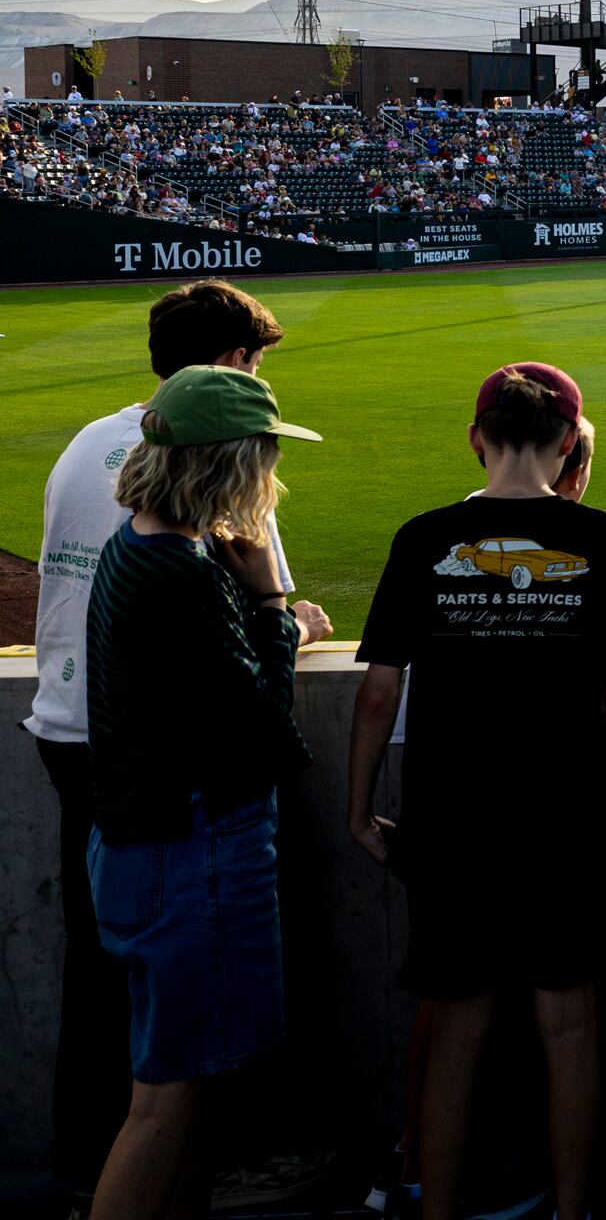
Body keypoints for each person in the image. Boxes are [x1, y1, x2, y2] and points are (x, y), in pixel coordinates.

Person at [28, 281, 330, 1207]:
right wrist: (274, 608)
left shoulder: (110, 481)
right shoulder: (188, 556)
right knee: (179, 1073)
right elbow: (265, 723)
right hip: (182, 812)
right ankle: (195, 1169)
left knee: (138, 1026)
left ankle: (98, 1170)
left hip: (102, 765)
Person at [349, 364, 606, 1220]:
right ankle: (572, 1212)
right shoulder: (605, 537)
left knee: (457, 1028)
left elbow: (379, 691)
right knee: (570, 1023)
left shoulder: (424, 535)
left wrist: (357, 811)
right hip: (567, 816)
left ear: (477, 438)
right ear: (570, 441)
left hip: (452, 816)